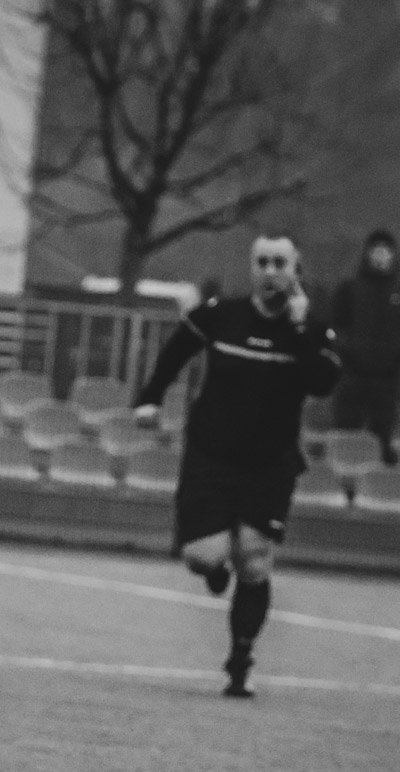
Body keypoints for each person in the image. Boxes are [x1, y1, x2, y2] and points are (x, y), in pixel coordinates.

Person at [133, 234, 341, 698]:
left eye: (280, 263)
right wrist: (150, 397)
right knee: (202, 557)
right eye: (262, 262)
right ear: (252, 268)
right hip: (211, 455)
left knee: (254, 557)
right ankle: (214, 568)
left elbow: (322, 382)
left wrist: (300, 328)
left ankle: (240, 659)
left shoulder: (311, 330)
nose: (271, 271)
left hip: (270, 463)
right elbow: (177, 349)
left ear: (296, 270)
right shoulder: (222, 315)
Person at [329, 228, 400, 465]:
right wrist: (347, 349)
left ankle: (377, 480)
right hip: (352, 374)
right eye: (376, 251)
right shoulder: (350, 288)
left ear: (393, 255)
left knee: (381, 436)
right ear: (368, 254)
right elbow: (335, 324)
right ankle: (343, 477)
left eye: (386, 251)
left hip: (387, 377)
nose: (381, 256)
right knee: (346, 431)